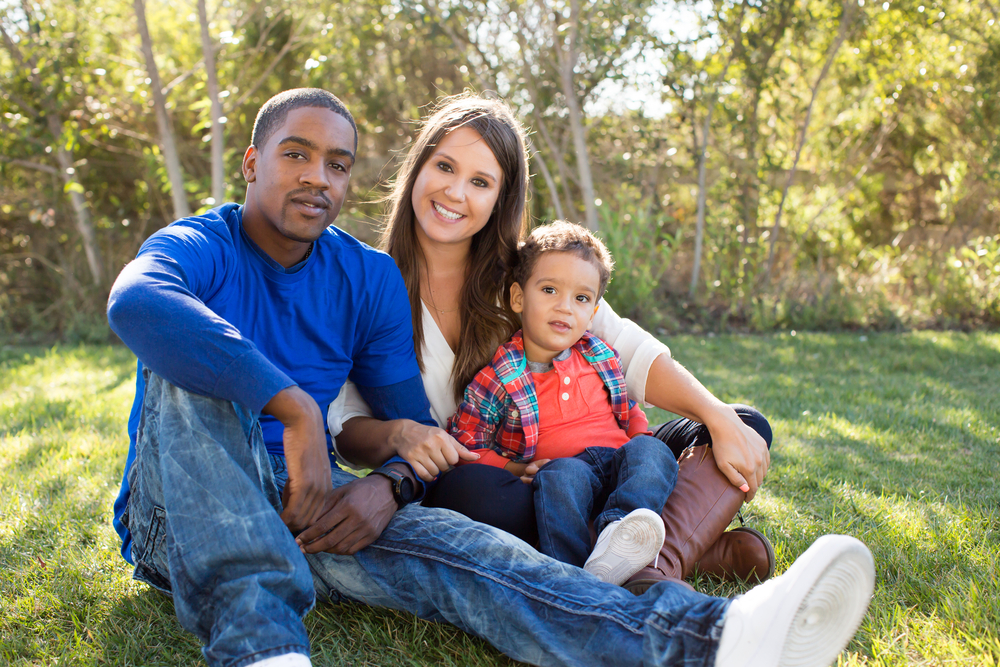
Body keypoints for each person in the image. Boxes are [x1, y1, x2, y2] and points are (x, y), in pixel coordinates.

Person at [108, 87, 875, 667]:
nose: (317, 177)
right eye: (295, 155)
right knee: (197, 366)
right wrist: (298, 409)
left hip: (316, 503)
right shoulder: (202, 247)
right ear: (251, 162)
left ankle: (719, 635)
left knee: (474, 558)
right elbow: (138, 300)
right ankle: (263, 645)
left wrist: (389, 482)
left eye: (335, 164)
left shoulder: (374, 276)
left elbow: (419, 432)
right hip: (183, 511)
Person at [331, 93, 775, 590]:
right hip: (514, 479)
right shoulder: (372, 283)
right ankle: (681, 552)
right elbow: (347, 422)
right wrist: (397, 437)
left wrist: (715, 416)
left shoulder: (531, 272)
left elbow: (628, 351)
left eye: (480, 182)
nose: (456, 192)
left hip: (607, 457)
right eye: (445, 167)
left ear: (501, 198)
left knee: (742, 425)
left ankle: (650, 566)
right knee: (463, 491)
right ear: (418, 167)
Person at [448, 221, 677, 585]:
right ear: (518, 298)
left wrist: (639, 438)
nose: (565, 308)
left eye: (581, 298)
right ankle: (572, 575)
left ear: (593, 311)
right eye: (550, 290)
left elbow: (628, 407)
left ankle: (621, 531)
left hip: (618, 461)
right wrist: (510, 468)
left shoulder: (600, 355)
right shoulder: (499, 376)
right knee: (558, 479)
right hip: (567, 469)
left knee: (654, 451)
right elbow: (465, 440)